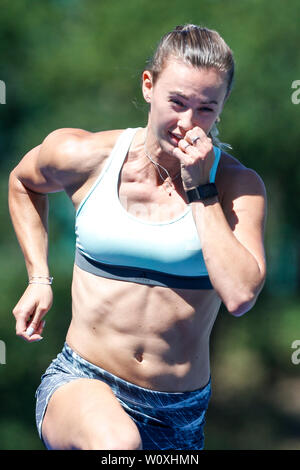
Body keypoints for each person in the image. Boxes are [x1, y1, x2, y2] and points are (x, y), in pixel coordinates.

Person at [8, 24, 267, 450]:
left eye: (205, 108)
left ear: (222, 107)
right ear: (149, 86)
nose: (188, 122)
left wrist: (201, 188)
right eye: (177, 102)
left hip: (180, 412)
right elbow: (23, 183)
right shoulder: (84, 156)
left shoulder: (238, 187)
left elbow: (240, 295)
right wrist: (38, 277)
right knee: (118, 446)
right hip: (84, 382)